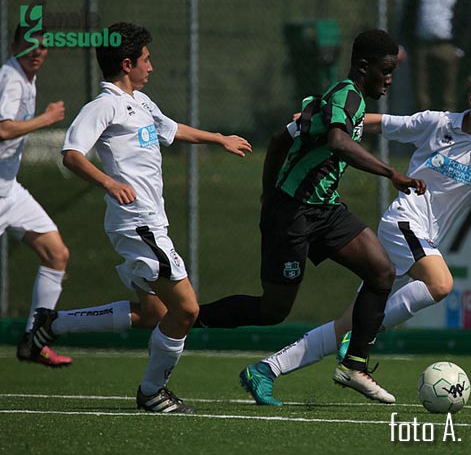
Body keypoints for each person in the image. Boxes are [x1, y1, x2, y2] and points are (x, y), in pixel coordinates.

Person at [236, 61, 471, 406]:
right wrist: (327, 118)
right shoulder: (438, 123)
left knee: (346, 323)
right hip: (404, 221)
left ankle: (265, 370)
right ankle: (364, 337)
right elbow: (380, 123)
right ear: (469, 97)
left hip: (423, 236)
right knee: (441, 284)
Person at [27, 22, 252, 413]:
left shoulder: (142, 102)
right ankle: (151, 392)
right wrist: (109, 183)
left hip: (148, 222)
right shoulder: (105, 105)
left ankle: (53, 323)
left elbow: (172, 129)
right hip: (138, 224)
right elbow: (72, 153)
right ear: (127, 63)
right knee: (186, 310)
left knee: (153, 314)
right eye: (147, 59)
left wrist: (219, 139)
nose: (153, 66)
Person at [193, 30, 426, 404]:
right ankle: (191, 318)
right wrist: (391, 173)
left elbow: (281, 138)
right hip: (293, 215)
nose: (390, 79)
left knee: (382, 271)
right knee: (273, 310)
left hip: (325, 210)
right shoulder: (345, 96)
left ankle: (355, 365)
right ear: (364, 68)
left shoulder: (344, 101)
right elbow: (338, 141)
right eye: (386, 70)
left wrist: (267, 189)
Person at [0, 24, 73, 367]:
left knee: (56, 254)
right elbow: (2, 128)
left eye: (43, 47)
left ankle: (32, 341)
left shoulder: (27, 77)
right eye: (30, 46)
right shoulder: (11, 77)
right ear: (13, 45)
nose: (37, 52)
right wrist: (46, 119)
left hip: (9, 189)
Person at [401, 0, 470, 111]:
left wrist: (459, 48)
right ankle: (423, 127)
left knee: (447, 95)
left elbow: (466, 15)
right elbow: (409, 13)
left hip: (447, 46)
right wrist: (405, 43)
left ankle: (447, 127)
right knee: (420, 94)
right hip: (421, 45)